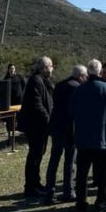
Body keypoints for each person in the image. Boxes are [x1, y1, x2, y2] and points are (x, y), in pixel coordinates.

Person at [72, 59, 106, 212]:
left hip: (83, 139)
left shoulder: (79, 90)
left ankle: (81, 202)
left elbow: (71, 111)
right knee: (103, 173)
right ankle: (101, 203)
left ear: (88, 72)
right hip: (104, 138)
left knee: (82, 173)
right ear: (100, 72)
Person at [44, 64, 87, 204]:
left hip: (57, 127)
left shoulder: (60, 85)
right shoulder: (78, 88)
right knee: (70, 161)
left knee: (54, 160)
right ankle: (69, 191)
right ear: (81, 76)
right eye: (85, 76)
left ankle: (49, 191)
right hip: (69, 129)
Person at [17, 56, 54, 200]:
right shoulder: (36, 81)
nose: (52, 69)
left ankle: (36, 183)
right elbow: (37, 105)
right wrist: (48, 120)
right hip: (36, 126)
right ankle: (30, 187)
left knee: (38, 154)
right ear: (45, 67)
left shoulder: (42, 80)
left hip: (40, 126)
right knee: (34, 155)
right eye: (51, 66)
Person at [4, 63, 26, 138]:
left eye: (13, 68)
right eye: (11, 68)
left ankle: (21, 131)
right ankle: (10, 131)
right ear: (8, 70)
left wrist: (21, 93)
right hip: (10, 100)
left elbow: (24, 85)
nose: (12, 70)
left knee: (20, 116)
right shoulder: (6, 78)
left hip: (19, 100)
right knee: (10, 116)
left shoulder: (19, 77)